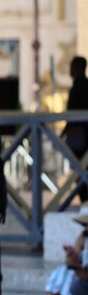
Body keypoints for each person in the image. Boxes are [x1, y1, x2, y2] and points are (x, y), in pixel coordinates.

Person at [20, 211, 88, 295]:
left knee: (82, 289)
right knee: (62, 273)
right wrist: (72, 258)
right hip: (83, 276)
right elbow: (74, 260)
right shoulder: (83, 237)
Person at [63, 56, 88, 201]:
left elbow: (73, 114)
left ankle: (84, 200)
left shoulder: (78, 88)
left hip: (79, 136)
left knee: (80, 171)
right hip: (82, 135)